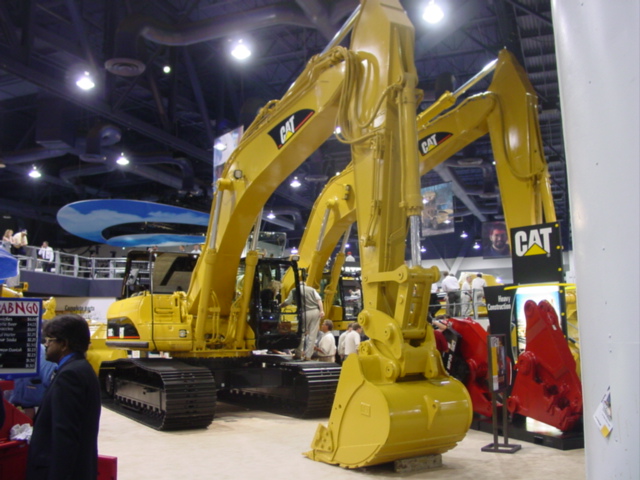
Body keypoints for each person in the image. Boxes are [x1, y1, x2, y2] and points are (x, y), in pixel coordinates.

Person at [26, 314, 101, 480]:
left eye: (49, 340)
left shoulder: (70, 375)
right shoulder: (81, 369)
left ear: (64, 344)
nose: (46, 345)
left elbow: (65, 435)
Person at [279, 273, 324, 360]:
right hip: (315, 311)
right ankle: (308, 356)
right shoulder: (312, 290)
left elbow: (288, 302)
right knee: (312, 334)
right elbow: (319, 300)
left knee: (301, 333)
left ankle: (298, 354)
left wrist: (280, 306)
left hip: (304, 313)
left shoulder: (294, 290)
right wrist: (322, 311)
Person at [10, 343, 57, 419]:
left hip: (39, 413)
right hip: (11, 410)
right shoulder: (9, 353)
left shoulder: (46, 357)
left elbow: (55, 393)